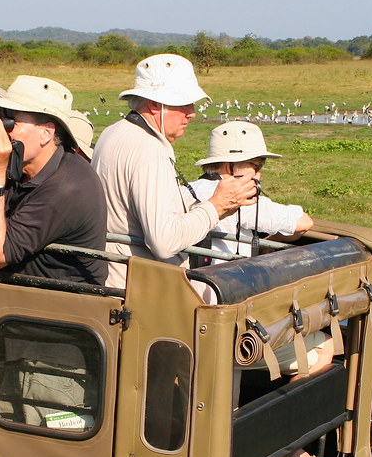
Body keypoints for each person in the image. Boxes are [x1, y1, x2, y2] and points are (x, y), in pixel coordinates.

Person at [91, 54, 257, 288]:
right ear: (154, 105)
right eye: (183, 104)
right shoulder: (148, 149)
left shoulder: (114, 132)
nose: (192, 112)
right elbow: (165, 242)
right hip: (139, 291)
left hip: (113, 276)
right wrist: (216, 207)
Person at [0, 76, 106, 285]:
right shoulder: (23, 167)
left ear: (46, 133)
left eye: (11, 120)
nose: (1, 128)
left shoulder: (68, 185)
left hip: (59, 308)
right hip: (20, 302)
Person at [187, 122, 313, 258]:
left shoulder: (185, 190)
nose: (258, 174)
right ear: (231, 166)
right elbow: (303, 223)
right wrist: (271, 241)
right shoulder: (241, 200)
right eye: (256, 166)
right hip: (231, 275)